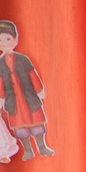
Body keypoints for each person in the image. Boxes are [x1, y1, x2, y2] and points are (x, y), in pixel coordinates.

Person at [0, 22, 50, 159]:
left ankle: (42, 146)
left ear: (15, 40)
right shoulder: (1, 63)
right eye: (0, 40)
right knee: (20, 127)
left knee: (37, 123)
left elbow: (32, 75)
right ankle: (28, 149)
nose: (4, 43)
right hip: (14, 102)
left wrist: (39, 90)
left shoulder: (23, 59)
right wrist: (1, 98)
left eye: (8, 39)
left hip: (28, 98)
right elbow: (0, 84)